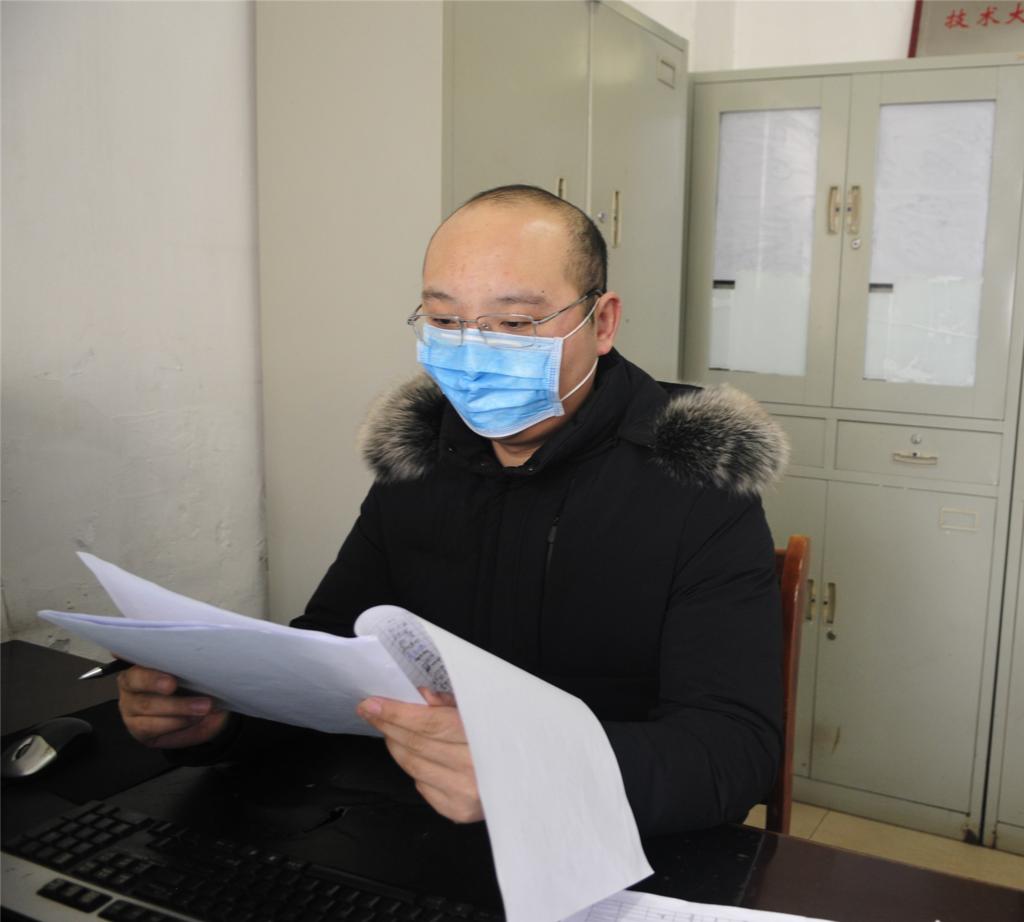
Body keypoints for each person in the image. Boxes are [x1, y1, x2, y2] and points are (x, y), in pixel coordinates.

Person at [117, 185, 788, 836]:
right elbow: (330, 659)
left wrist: (536, 772)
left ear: (602, 322)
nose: (473, 351)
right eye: (444, 320)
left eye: (515, 323)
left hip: (607, 844)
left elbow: (733, 752)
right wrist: (220, 718)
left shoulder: (694, 482)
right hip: (408, 828)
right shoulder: (421, 458)